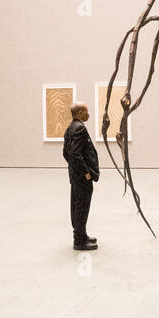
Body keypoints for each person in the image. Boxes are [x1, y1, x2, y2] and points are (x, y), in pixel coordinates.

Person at [62, 102, 100, 250]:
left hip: (75, 176)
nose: (88, 114)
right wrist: (86, 173)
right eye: (86, 111)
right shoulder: (80, 129)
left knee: (77, 205)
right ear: (79, 112)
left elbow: (66, 153)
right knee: (82, 206)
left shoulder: (69, 128)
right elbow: (75, 154)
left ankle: (81, 235)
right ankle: (79, 241)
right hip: (82, 178)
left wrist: (73, 168)